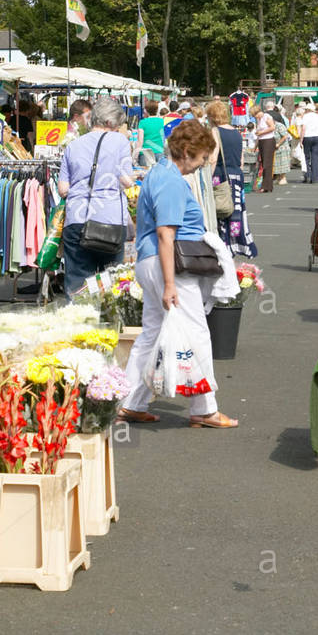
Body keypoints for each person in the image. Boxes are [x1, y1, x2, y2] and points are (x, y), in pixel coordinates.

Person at [120, 120, 239, 429]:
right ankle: (205, 407)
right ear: (187, 152)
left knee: (151, 334)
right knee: (196, 331)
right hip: (170, 265)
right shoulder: (172, 181)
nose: (200, 167)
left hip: (150, 261)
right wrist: (170, 283)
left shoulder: (157, 173)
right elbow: (166, 233)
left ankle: (130, 402)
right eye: (200, 159)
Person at [58, 97, 135, 295]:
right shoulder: (120, 141)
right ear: (111, 123)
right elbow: (127, 181)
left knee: (78, 287)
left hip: (76, 220)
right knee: (112, 284)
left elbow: (63, 189)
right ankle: (108, 323)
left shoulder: (73, 145)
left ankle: (79, 321)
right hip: (109, 221)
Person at [206, 100, 257, 257]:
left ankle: (224, 243)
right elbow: (241, 159)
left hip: (221, 175)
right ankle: (238, 242)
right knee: (236, 210)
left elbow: (213, 157)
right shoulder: (236, 132)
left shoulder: (215, 131)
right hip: (236, 175)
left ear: (212, 116)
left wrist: (208, 178)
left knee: (220, 209)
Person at [252, 102, 276, 194]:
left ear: (258, 112)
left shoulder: (266, 117)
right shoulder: (259, 119)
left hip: (268, 141)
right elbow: (258, 134)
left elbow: (272, 127)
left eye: (255, 115)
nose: (255, 117)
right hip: (262, 141)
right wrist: (255, 146)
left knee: (267, 164)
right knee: (263, 163)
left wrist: (261, 133)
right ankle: (266, 185)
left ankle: (266, 186)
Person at [300, 102, 318, 184]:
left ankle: (307, 175)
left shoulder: (305, 116)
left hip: (307, 136)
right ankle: (314, 177)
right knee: (316, 157)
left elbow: (303, 128)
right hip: (317, 136)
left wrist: (301, 140)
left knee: (306, 157)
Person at [272, 113, 292, 186]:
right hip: (274, 147)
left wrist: (278, 144)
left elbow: (285, 136)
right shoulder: (270, 125)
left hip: (282, 147)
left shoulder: (280, 126)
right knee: (276, 164)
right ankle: (278, 177)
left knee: (283, 164)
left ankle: (283, 178)